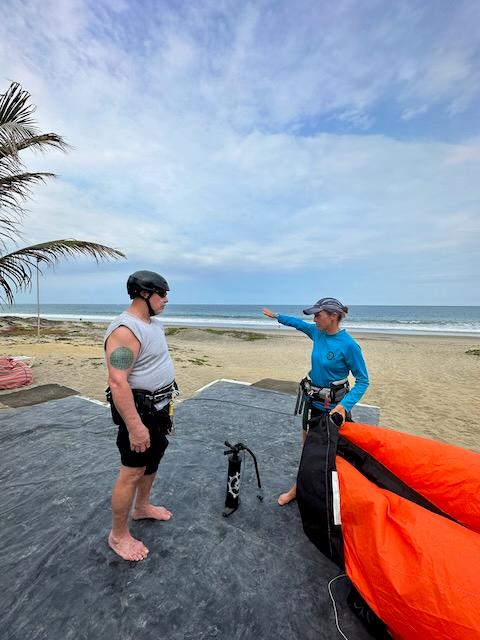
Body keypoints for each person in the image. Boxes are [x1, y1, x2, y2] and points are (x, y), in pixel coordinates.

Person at [262, 298, 369, 506]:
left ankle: (338, 496)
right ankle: (299, 489)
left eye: (318, 315)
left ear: (333, 316)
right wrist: (276, 316)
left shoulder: (349, 346)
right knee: (308, 452)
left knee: (335, 456)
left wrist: (343, 407)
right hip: (312, 404)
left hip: (334, 411)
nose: (314, 319)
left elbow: (363, 380)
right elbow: (299, 324)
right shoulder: (317, 333)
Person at [104, 270, 178, 561]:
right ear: (144, 295)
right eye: (162, 294)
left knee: (154, 455)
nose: (166, 300)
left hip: (158, 408)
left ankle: (142, 507)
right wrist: (135, 427)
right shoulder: (126, 331)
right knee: (132, 470)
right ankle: (118, 535)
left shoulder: (152, 325)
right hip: (138, 410)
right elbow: (118, 381)